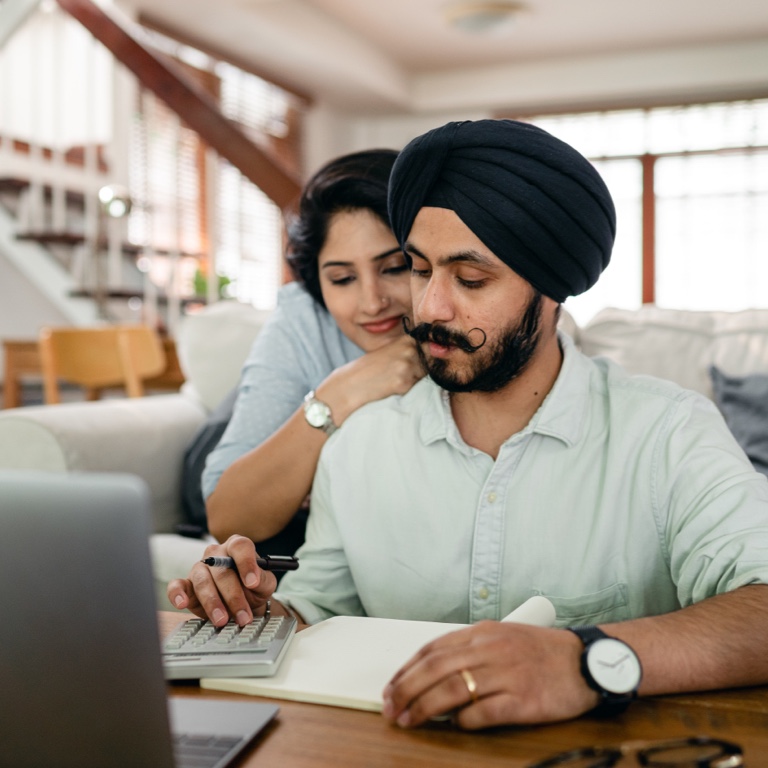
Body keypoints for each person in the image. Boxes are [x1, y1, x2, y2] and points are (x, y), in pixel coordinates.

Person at [169, 119, 768, 730]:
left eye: (472, 278)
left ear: (553, 287)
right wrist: (245, 608)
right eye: (422, 270)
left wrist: (586, 660)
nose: (428, 309)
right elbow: (318, 613)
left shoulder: (668, 432)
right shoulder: (361, 441)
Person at [200, 149, 424, 550]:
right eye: (341, 278)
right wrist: (341, 390)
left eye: (394, 268)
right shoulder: (302, 317)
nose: (372, 303)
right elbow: (227, 515)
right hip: (236, 441)